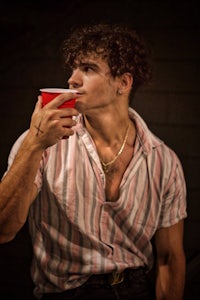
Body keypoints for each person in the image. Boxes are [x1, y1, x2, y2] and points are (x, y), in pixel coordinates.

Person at [0, 23, 187, 300]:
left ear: (123, 83)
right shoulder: (42, 143)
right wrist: (33, 146)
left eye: (87, 69)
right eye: (73, 69)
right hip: (66, 293)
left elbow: (170, 259)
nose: (72, 80)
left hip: (135, 289)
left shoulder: (164, 160)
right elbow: (3, 229)